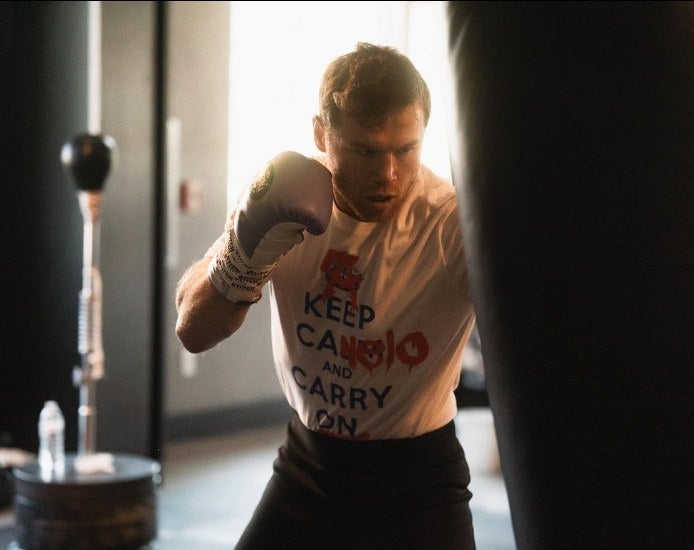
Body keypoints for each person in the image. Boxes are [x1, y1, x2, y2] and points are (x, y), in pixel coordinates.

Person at [175, 42, 477, 550]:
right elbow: (193, 331)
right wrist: (243, 257)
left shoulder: (450, 224)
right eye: (365, 150)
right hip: (309, 465)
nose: (388, 175)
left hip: (419, 481)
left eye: (406, 149)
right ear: (322, 134)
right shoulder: (284, 196)